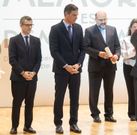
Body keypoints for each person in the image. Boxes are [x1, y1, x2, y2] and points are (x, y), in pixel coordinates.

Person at [49, 4, 85, 134]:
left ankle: (73, 123)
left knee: (75, 98)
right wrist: (66, 66)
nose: (76, 17)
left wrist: (78, 64)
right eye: (74, 15)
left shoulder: (79, 28)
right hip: (61, 70)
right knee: (59, 97)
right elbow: (54, 51)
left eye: (77, 15)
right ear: (66, 14)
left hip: (76, 70)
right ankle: (58, 124)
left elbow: (83, 49)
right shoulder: (55, 29)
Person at [84, 10, 121, 123]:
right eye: (100, 20)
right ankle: (95, 114)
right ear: (95, 19)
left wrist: (116, 55)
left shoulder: (112, 29)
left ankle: (109, 114)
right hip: (95, 67)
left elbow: (117, 47)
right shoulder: (89, 31)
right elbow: (86, 47)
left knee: (109, 91)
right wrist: (98, 54)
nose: (103, 22)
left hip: (110, 67)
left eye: (105, 19)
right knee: (94, 92)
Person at [8, 16, 42, 134]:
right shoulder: (13, 40)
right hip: (18, 78)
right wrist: (23, 73)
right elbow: (12, 60)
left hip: (32, 78)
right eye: (27, 25)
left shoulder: (36, 40)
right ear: (21, 25)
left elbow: (39, 60)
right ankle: (14, 127)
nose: (29, 27)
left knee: (30, 103)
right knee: (17, 103)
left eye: (31, 25)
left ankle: (28, 126)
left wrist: (33, 72)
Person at [121, 18, 137, 121]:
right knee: (131, 90)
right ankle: (132, 113)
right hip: (128, 67)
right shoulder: (125, 39)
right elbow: (124, 55)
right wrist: (134, 50)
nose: (136, 29)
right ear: (130, 28)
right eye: (134, 27)